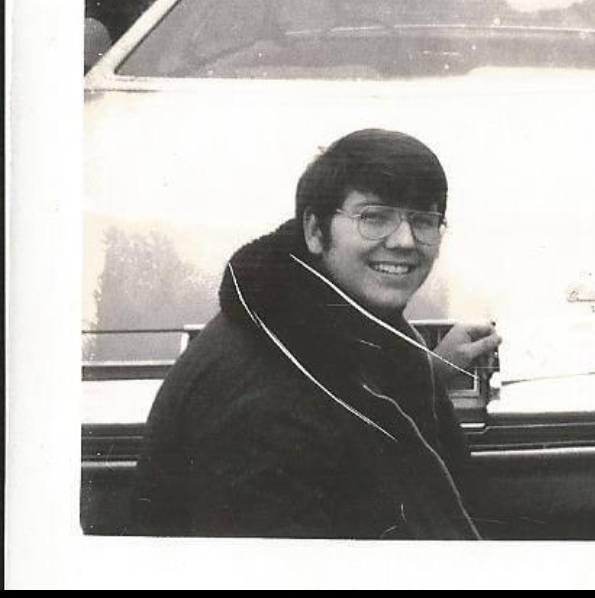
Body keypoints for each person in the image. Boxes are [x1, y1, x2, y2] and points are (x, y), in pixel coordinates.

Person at [130, 129, 500, 538]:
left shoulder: (306, 318)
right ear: (314, 230)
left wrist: (427, 374)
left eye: (423, 220)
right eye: (373, 217)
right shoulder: (264, 411)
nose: (404, 241)